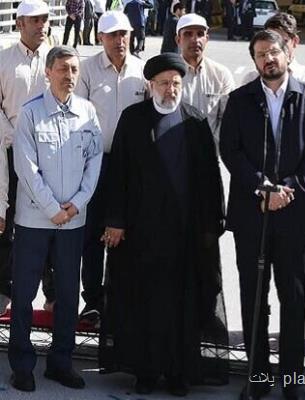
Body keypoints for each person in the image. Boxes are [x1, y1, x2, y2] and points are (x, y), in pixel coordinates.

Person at [98, 52, 228, 396]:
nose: (170, 90)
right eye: (164, 83)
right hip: (141, 233)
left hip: (184, 235)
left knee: (181, 306)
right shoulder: (133, 119)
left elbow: (210, 178)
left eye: (175, 83)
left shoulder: (195, 121)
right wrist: (115, 221)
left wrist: (210, 226)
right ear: (150, 86)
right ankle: (145, 371)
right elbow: (119, 172)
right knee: (142, 302)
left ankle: (177, 373)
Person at [220, 29, 305, 400]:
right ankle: (258, 376)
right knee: (254, 296)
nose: (268, 59)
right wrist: (262, 187)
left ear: (287, 54)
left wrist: (289, 190)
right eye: (261, 54)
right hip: (253, 213)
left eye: (274, 52)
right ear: (254, 61)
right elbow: (230, 150)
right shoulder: (240, 100)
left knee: (293, 297)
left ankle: (294, 379)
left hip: (294, 213)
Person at [9, 45, 103, 393]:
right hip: (35, 220)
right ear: (48, 73)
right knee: (24, 295)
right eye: (62, 69)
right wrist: (53, 209)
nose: (69, 76)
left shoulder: (87, 112)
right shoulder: (31, 112)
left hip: (72, 223)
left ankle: (61, 362)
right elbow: (26, 167)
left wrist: (76, 205)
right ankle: (22, 365)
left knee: (67, 293)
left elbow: (94, 163)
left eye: (74, 69)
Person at [75, 10, 147, 327]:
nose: (120, 41)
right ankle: (92, 301)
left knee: (125, 234)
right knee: (92, 234)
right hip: (95, 162)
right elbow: (76, 115)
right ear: (100, 37)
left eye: (124, 34)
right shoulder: (87, 70)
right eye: (113, 35)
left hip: (131, 166)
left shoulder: (142, 70)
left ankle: (119, 301)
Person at [0, 0, 56, 316]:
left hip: (50, 156)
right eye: (34, 20)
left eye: (44, 19)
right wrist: (15, 137)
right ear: (20, 23)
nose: (41, 25)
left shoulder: (57, 59)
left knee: (49, 221)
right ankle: (4, 289)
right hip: (10, 153)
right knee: (6, 221)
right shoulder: (4, 60)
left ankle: (52, 294)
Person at [177, 13, 235, 143]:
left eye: (200, 34)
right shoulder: (168, 76)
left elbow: (228, 118)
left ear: (207, 39)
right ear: (178, 40)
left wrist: (211, 145)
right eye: (188, 34)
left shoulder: (221, 75)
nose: (195, 39)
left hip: (211, 150)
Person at [241, 12, 305, 92]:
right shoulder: (251, 79)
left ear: (295, 41)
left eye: (283, 42)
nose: (277, 47)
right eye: (271, 41)